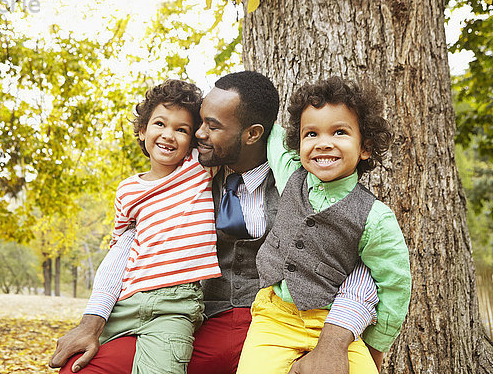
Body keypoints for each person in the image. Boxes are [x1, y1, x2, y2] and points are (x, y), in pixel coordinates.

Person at [50, 71, 384, 374]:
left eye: (212, 126)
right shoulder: (188, 178)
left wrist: (335, 341)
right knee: (79, 369)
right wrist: (91, 322)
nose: (197, 134)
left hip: (272, 322)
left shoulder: (302, 184)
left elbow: (359, 261)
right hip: (192, 319)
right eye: (198, 123)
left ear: (253, 135)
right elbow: (130, 240)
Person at [236, 76, 412, 374]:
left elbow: (394, 284)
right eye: (311, 134)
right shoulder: (290, 174)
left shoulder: (375, 217)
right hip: (275, 317)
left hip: (334, 321)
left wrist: (376, 346)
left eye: (339, 132)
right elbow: (274, 135)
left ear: (365, 147)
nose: (323, 144)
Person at [84, 78, 222, 374]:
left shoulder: (199, 168)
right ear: (143, 130)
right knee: (84, 361)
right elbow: (121, 245)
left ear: (192, 139)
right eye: (160, 124)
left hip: (175, 305)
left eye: (181, 129)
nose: (169, 135)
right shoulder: (127, 190)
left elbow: (228, 134)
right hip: (127, 301)